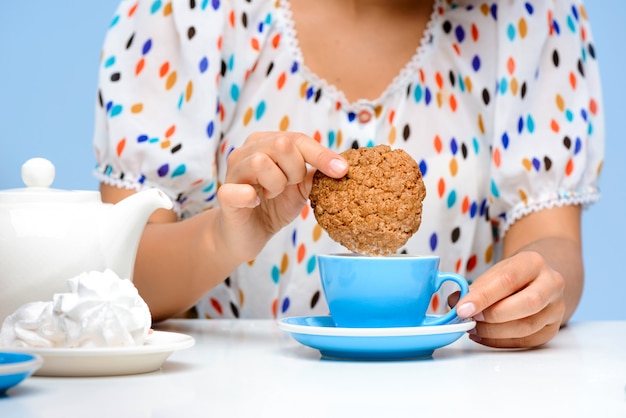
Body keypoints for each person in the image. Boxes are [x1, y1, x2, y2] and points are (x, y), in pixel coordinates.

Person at [93, 0, 604, 349]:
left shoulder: (531, 17)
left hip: (447, 395)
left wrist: (537, 287)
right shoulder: (186, 16)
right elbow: (119, 283)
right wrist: (222, 237)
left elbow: (551, 238)